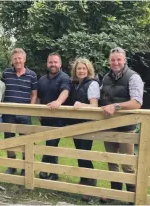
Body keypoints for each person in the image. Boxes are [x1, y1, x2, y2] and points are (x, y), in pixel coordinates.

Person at [99, 47, 144, 203]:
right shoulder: (105, 78)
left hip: (127, 127)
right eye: (113, 60)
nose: (116, 62)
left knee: (127, 163)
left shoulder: (133, 77)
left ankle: (133, 196)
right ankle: (115, 193)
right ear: (109, 61)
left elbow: (137, 103)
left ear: (124, 60)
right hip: (108, 125)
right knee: (112, 161)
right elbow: (101, 100)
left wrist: (116, 106)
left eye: (118, 59)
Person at [2, 48, 38, 176]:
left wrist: (30, 108)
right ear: (12, 60)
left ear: (24, 59)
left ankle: (26, 166)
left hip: (24, 113)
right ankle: (12, 165)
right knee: (9, 140)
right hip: (8, 113)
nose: (17, 61)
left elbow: (34, 94)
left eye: (19, 58)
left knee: (26, 140)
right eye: (15, 58)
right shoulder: (6, 73)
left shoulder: (32, 75)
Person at [69, 57, 100, 201]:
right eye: (78, 69)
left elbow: (94, 106)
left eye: (83, 68)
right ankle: (84, 180)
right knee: (80, 154)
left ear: (88, 70)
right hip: (77, 125)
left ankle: (91, 184)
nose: (81, 71)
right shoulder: (76, 84)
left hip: (88, 124)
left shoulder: (92, 84)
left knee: (85, 154)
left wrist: (81, 105)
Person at [37, 52, 71, 181]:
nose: (53, 64)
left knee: (52, 143)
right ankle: (47, 171)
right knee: (49, 143)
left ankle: (52, 172)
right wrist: (37, 110)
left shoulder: (64, 77)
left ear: (60, 64)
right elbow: (39, 96)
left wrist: (58, 102)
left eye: (55, 62)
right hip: (44, 118)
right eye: (50, 62)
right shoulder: (42, 79)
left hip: (58, 118)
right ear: (47, 63)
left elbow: (66, 91)